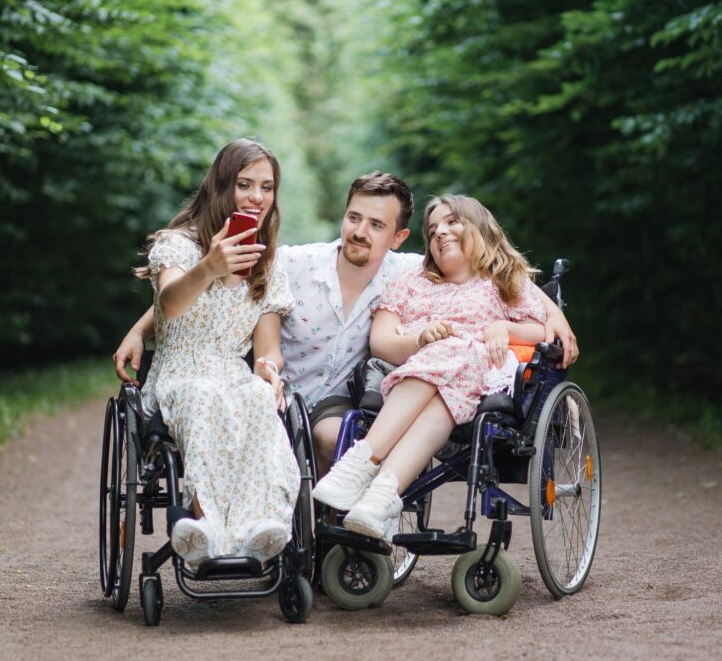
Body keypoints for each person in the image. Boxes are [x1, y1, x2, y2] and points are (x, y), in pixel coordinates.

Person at [113, 174, 580, 477]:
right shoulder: (295, 263)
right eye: (354, 218)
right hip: (278, 394)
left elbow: (500, 276)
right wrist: (140, 329)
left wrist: (555, 315)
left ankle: (335, 535)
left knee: (333, 437)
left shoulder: (410, 275)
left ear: (398, 238)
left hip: (339, 406)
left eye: (376, 225)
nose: (360, 231)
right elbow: (218, 287)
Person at [311, 195, 549, 541]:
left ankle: (361, 463)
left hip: (480, 375)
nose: (439, 232)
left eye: (452, 222)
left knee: (451, 348)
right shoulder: (411, 281)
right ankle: (382, 497)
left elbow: (541, 330)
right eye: (433, 228)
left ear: (480, 228)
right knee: (442, 387)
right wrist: (421, 339)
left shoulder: (503, 278)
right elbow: (381, 342)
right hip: (420, 380)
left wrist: (504, 328)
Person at [137, 138, 298, 567]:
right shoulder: (178, 245)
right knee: (203, 395)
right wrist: (210, 265)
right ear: (221, 186)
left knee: (259, 395)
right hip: (181, 371)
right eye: (245, 184)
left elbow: (268, 347)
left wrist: (268, 368)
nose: (257, 197)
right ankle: (204, 524)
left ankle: (259, 525)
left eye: (267, 187)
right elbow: (170, 304)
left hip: (233, 371)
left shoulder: (269, 262)